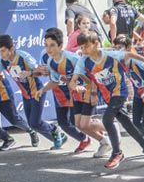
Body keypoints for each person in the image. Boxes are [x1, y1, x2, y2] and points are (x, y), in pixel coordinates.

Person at [77, 30, 144, 169]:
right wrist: (80, 87)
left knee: (107, 119)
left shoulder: (110, 54)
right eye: (81, 48)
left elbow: (130, 54)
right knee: (127, 123)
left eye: (86, 46)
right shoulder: (84, 60)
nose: (83, 50)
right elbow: (84, 77)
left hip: (120, 92)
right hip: (108, 95)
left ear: (96, 44)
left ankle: (117, 153)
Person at [36, 28, 107, 156]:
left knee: (84, 124)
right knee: (78, 124)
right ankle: (104, 140)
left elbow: (92, 75)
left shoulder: (72, 58)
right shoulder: (50, 61)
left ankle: (110, 130)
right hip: (75, 93)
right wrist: (42, 89)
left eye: (52, 45)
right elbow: (56, 81)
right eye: (46, 45)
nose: (48, 49)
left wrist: (94, 93)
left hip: (89, 90)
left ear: (61, 45)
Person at [0, 35, 65, 149]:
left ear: (12, 49)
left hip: (37, 91)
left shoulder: (23, 56)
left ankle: (54, 129)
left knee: (35, 123)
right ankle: (59, 137)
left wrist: (29, 73)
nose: (1, 54)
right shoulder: (1, 61)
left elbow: (42, 71)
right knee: (32, 123)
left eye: (3, 51)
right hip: (25, 95)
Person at [112, 34, 144, 153]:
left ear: (128, 48)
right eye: (116, 48)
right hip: (138, 93)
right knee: (136, 123)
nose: (118, 51)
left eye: (120, 48)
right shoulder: (121, 62)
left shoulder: (136, 62)